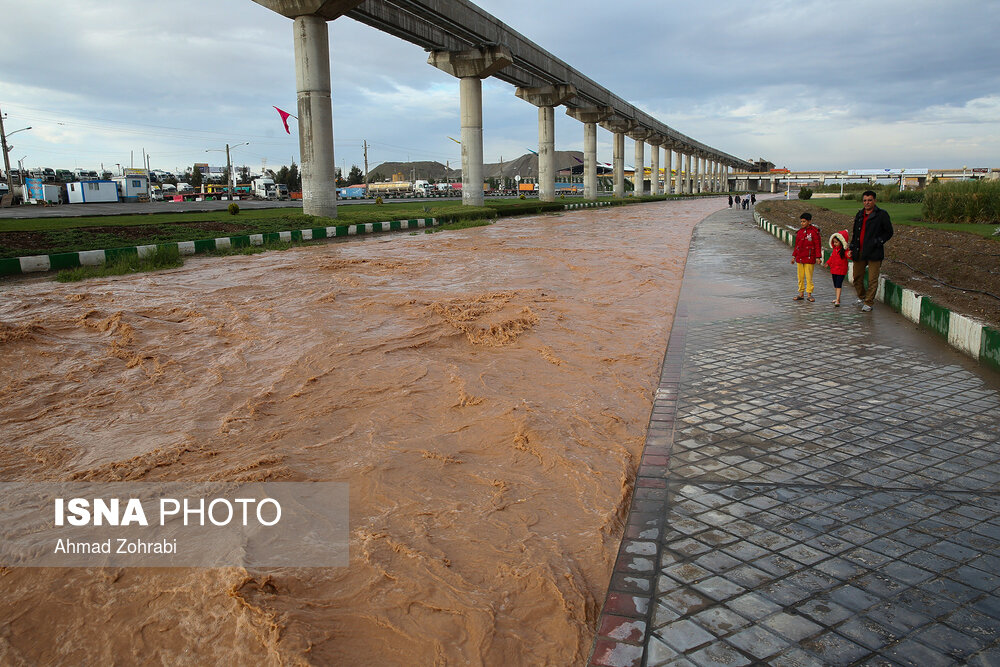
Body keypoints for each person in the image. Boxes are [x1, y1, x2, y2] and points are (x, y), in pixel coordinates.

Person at [849, 190, 893, 312]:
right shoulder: (860, 215)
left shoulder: (881, 215)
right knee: (857, 277)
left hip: (874, 252)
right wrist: (851, 248)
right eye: (865, 200)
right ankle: (862, 296)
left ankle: (869, 302)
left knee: (872, 279)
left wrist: (878, 241)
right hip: (859, 250)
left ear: (874, 201)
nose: (867, 203)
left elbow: (889, 232)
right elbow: (855, 233)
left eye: (869, 200)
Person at [791, 212, 821, 302]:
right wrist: (794, 256)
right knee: (800, 277)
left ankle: (809, 294)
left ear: (809, 221)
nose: (802, 223)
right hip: (800, 258)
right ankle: (801, 293)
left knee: (808, 277)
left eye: (804, 221)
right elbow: (797, 245)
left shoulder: (814, 232)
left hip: (809, 257)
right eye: (801, 221)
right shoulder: (800, 232)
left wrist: (818, 257)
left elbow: (817, 245)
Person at [823, 229, 850, 307]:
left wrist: (850, 254)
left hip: (841, 270)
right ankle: (837, 298)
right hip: (834, 270)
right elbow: (832, 258)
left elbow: (848, 256)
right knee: (835, 284)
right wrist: (828, 263)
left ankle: (838, 300)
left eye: (836, 242)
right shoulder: (835, 250)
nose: (834, 244)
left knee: (838, 285)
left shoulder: (844, 251)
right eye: (834, 242)